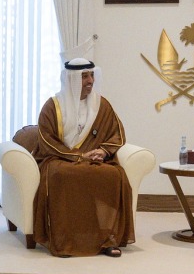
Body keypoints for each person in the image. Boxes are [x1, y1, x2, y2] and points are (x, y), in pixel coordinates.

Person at [31, 58, 135, 257]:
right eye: (84, 76)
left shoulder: (101, 105)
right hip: (59, 159)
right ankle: (65, 239)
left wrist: (103, 151)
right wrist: (78, 156)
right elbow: (46, 139)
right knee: (63, 174)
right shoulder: (53, 106)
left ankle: (107, 239)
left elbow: (117, 133)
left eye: (92, 75)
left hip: (93, 158)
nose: (90, 81)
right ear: (71, 79)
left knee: (114, 174)